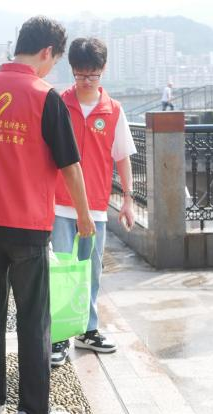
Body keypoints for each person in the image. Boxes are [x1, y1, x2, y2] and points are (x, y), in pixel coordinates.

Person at [0, 16, 95, 414]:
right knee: (34, 319)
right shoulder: (45, 97)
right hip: (27, 224)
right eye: (54, 61)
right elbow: (70, 165)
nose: (51, 69)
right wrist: (85, 217)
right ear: (46, 52)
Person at [50, 37, 136, 367]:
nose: (86, 80)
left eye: (93, 74)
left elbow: (122, 157)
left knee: (90, 271)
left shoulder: (113, 110)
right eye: (80, 74)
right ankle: (59, 335)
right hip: (60, 204)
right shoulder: (58, 104)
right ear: (72, 70)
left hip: (97, 206)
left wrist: (127, 199)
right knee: (62, 271)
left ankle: (87, 330)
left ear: (103, 70)